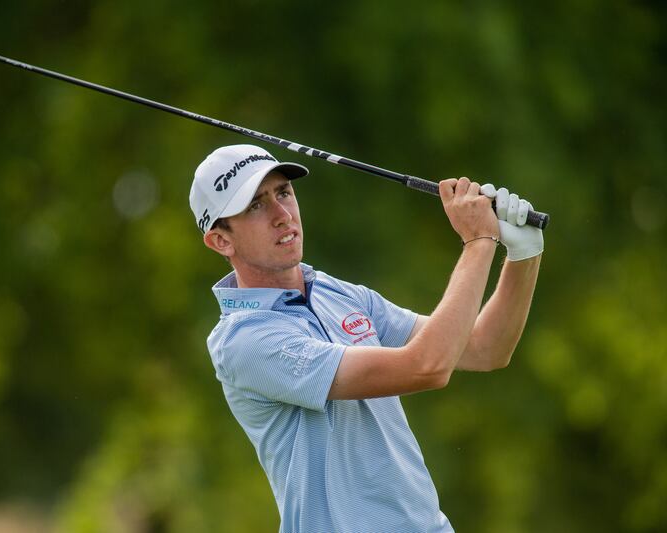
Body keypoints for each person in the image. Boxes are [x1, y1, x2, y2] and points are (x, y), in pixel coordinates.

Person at [189, 144, 543, 532]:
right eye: (255, 206)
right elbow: (427, 367)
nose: (282, 214)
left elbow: (484, 349)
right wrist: (478, 243)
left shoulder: (335, 292)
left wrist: (523, 254)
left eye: (284, 193)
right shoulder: (244, 341)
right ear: (221, 240)